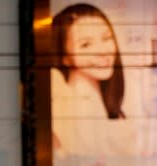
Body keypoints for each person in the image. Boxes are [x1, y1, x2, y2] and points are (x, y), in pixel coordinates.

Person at [50, 3, 140, 156]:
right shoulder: (62, 109)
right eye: (86, 45)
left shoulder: (113, 107)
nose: (103, 51)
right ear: (65, 57)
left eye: (106, 38)